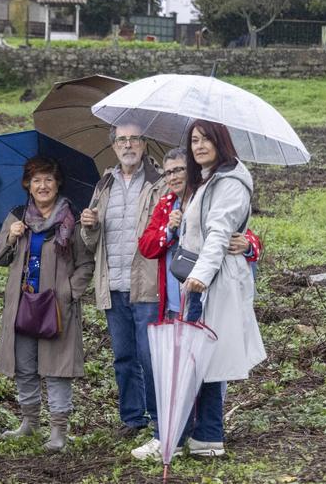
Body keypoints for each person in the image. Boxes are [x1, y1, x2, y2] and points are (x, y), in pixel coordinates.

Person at [132, 147, 263, 459]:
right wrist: (169, 228)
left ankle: (195, 436)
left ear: (190, 170)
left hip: (204, 294)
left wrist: (248, 245)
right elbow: (147, 246)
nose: (174, 177)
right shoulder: (167, 205)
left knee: (204, 369)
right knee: (178, 370)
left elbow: (240, 234)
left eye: (179, 170)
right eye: (168, 173)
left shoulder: (208, 196)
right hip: (174, 300)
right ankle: (190, 435)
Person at [0, 156, 95, 452]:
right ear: (27, 184)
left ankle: (58, 430)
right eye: (36, 180)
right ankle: (30, 423)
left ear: (58, 183)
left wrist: (68, 293)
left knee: (56, 367)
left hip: (56, 306)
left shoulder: (72, 219)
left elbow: (86, 263)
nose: (42, 185)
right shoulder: (17, 217)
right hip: (23, 302)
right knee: (24, 366)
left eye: (48, 179)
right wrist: (11, 237)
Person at [178, 119, 267, 457]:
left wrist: (200, 276)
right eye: (194, 140)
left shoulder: (229, 182)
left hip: (211, 281)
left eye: (206, 139)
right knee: (203, 359)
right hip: (201, 280)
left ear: (221, 142)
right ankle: (205, 436)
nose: (199, 146)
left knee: (200, 359)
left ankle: (186, 436)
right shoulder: (208, 180)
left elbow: (217, 234)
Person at [78, 122, 165, 438]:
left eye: (134, 139)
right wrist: (89, 225)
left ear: (144, 144)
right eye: (122, 140)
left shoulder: (159, 183)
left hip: (147, 285)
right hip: (113, 283)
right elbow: (91, 242)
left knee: (150, 356)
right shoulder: (104, 185)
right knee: (124, 357)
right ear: (114, 146)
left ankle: (159, 419)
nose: (128, 145)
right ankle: (132, 418)